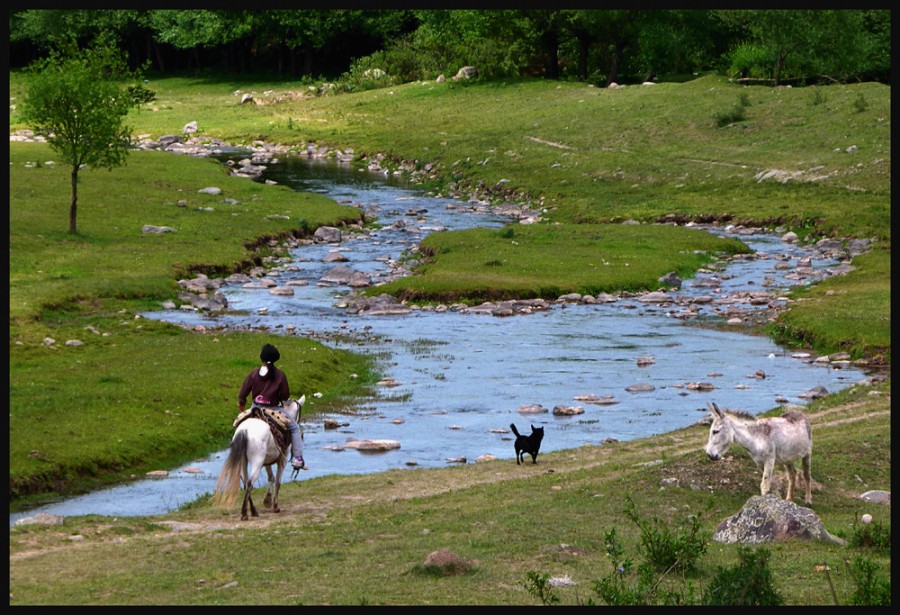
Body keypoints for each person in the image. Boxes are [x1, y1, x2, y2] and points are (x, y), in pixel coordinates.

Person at [238, 343, 307, 470]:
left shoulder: (254, 373)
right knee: (294, 428)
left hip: (255, 408)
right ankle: (297, 459)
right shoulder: (280, 375)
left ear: (261, 358)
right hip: (274, 409)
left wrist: (241, 402)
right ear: (276, 358)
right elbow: (285, 396)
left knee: (239, 423)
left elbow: (244, 391)